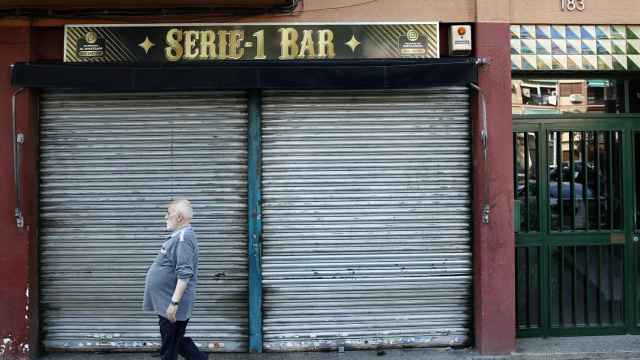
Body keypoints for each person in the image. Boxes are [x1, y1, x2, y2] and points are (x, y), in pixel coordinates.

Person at [143, 198, 207, 360]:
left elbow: (185, 273)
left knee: (170, 348)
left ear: (179, 218)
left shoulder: (183, 239)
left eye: (168, 214)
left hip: (171, 302)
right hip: (166, 299)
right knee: (174, 340)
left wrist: (174, 304)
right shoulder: (179, 236)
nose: (165, 217)